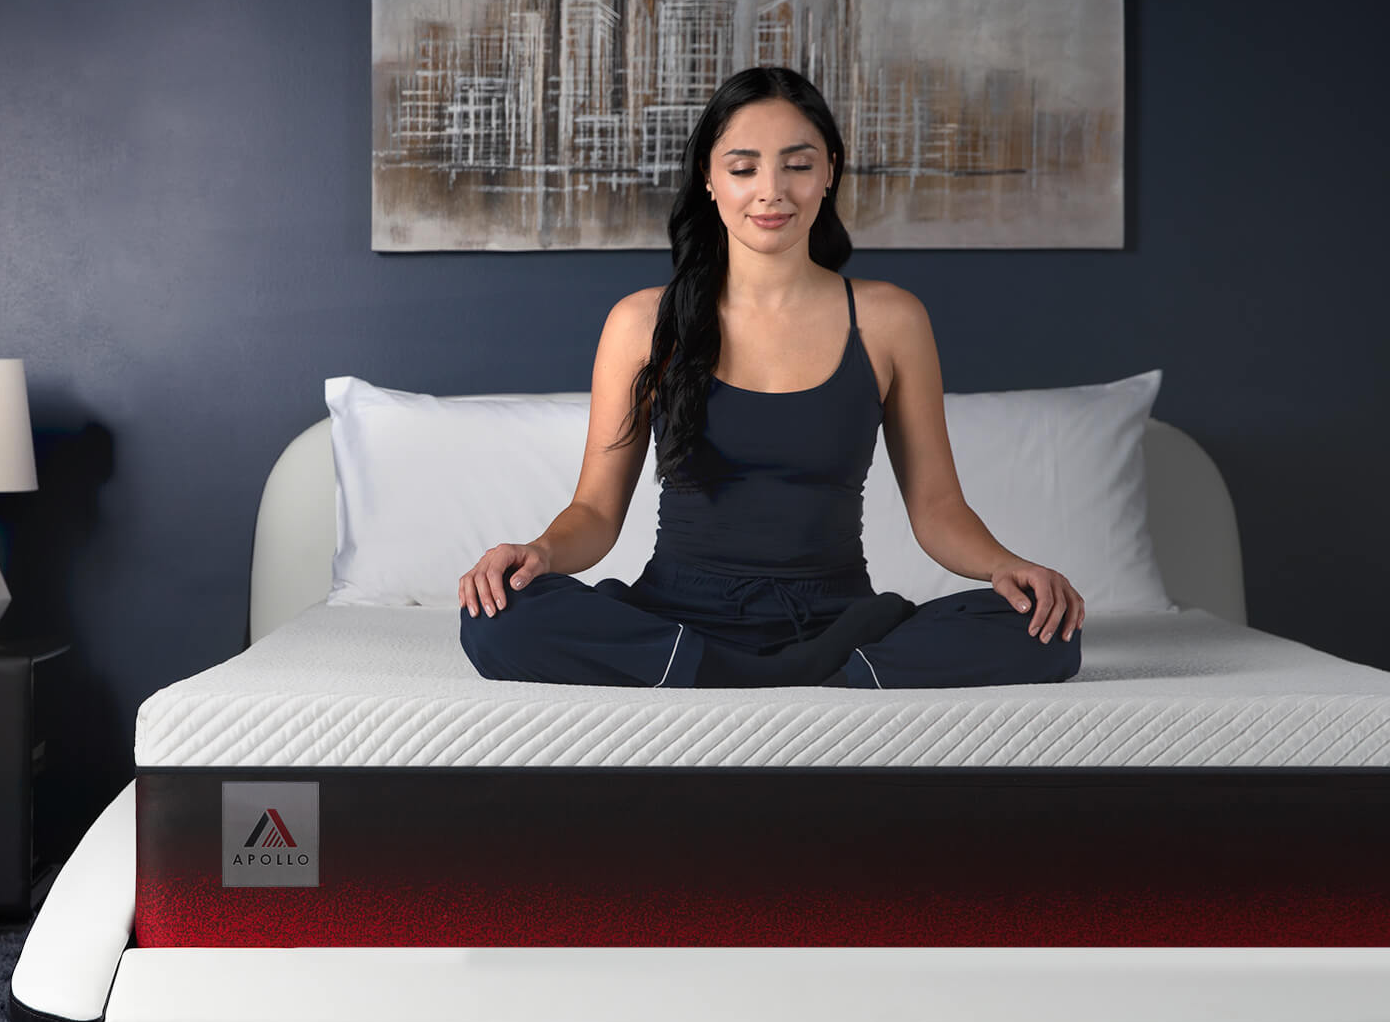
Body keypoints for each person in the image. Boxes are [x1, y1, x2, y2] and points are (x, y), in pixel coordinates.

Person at [457, 66, 1083, 690]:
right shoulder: (641, 321)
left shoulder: (891, 318)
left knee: (1047, 631)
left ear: (830, 170)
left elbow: (938, 508)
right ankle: (820, 678)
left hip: (837, 617)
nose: (772, 190)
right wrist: (538, 551)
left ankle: (731, 673)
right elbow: (594, 510)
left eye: (798, 164)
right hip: (679, 614)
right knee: (496, 620)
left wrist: (1006, 565)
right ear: (708, 176)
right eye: (744, 167)